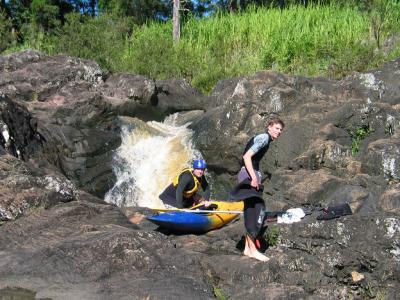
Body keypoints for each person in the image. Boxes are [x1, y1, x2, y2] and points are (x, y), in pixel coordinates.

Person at [230, 118, 284, 262]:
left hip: (248, 174)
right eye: (277, 128)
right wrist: (254, 177)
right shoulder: (264, 138)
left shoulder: (265, 139)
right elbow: (247, 156)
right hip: (248, 175)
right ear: (269, 127)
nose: (279, 132)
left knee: (250, 210)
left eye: (280, 130)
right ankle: (254, 250)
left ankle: (248, 249)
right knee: (253, 211)